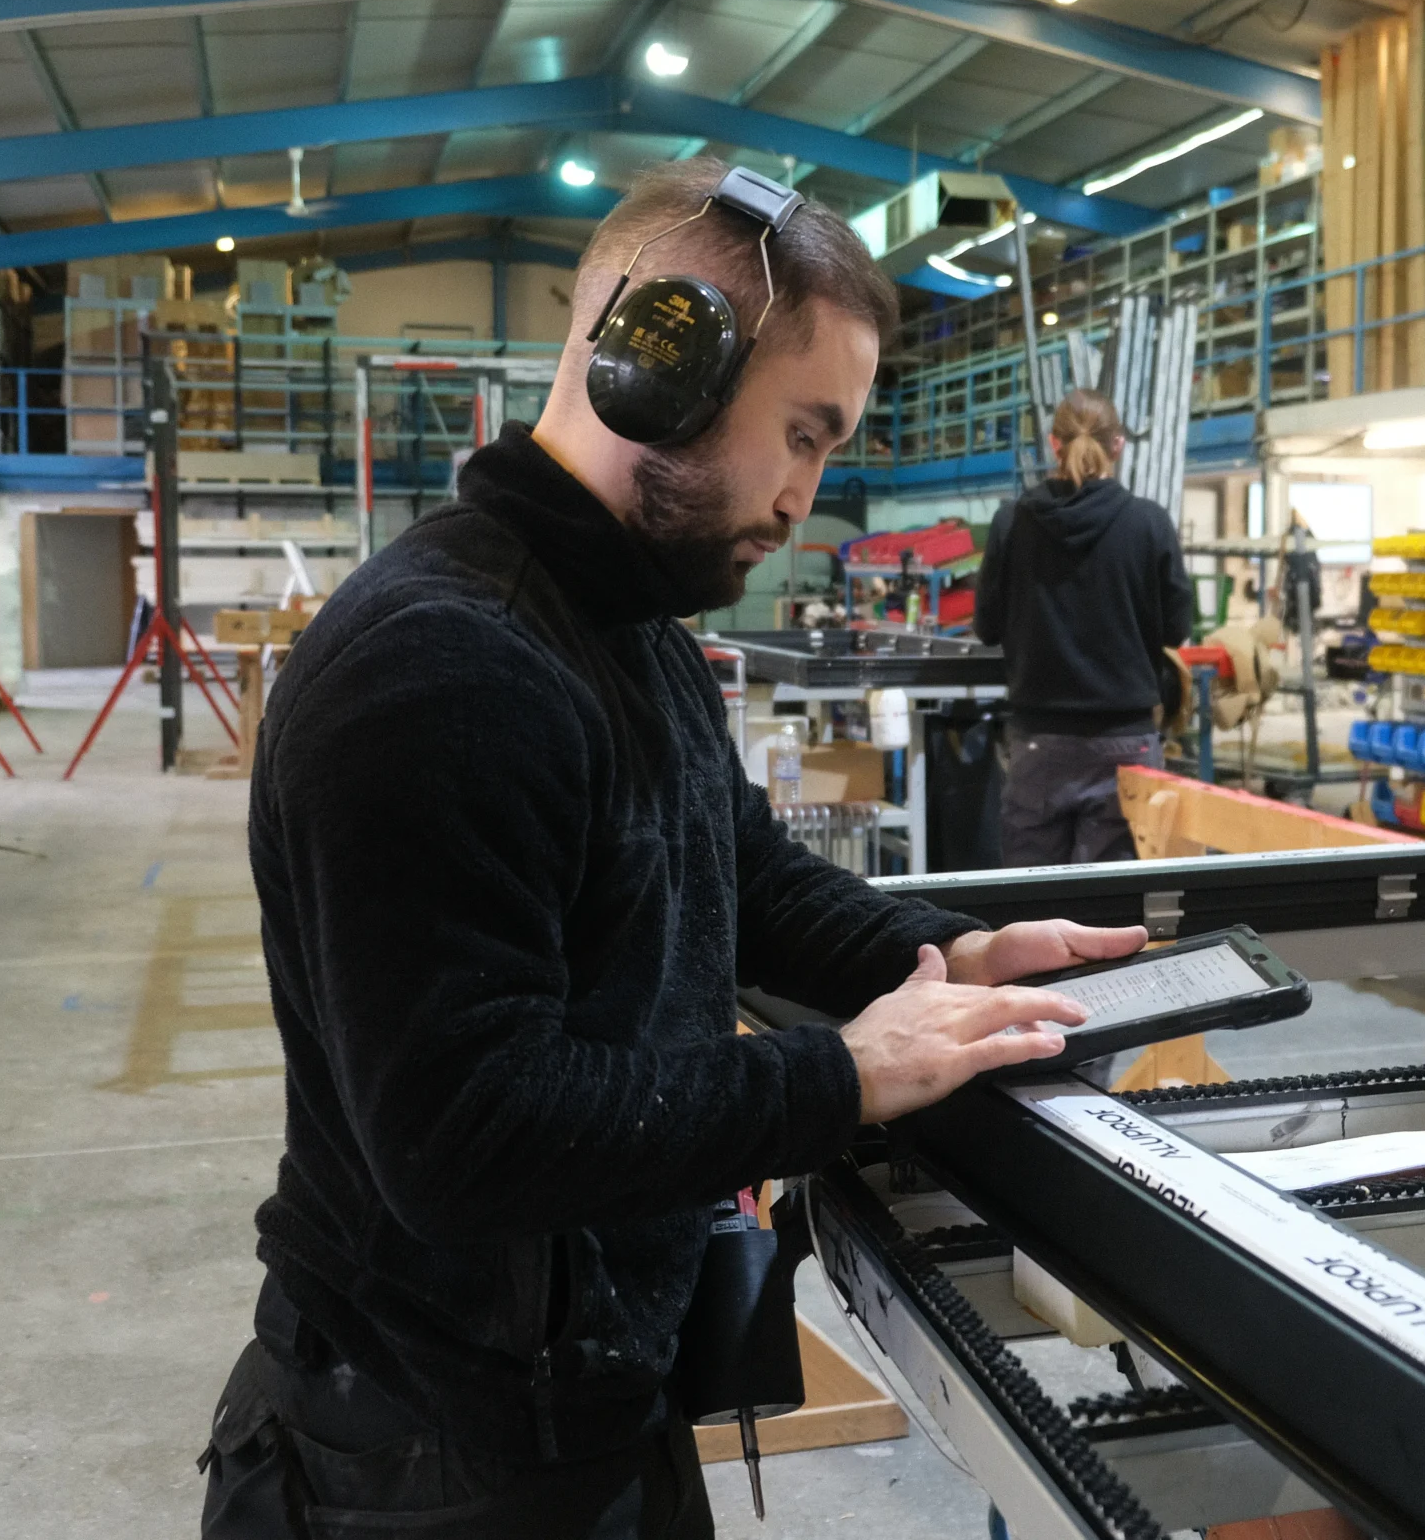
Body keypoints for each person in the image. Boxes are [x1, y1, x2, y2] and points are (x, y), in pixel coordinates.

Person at [199, 159, 1144, 1538]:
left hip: (581, 1398)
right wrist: (839, 1076)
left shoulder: (626, 631)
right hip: (420, 1459)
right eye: (803, 434)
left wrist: (943, 953)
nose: (805, 496)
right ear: (661, 370)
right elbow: (462, 1134)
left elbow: (737, 874)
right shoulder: (442, 668)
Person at [975, 392, 1192, 867]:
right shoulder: (1149, 523)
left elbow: (986, 628)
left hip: (1040, 741)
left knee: (1033, 894)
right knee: (1112, 901)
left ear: (1053, 444)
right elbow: (1177, 629)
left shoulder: (1012, 522)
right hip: (1127, 743)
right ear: (1119, 445)